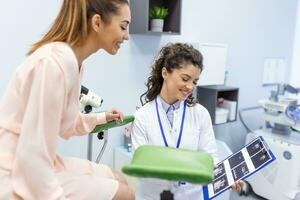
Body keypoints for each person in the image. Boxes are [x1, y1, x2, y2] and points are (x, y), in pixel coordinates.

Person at [0, 0, 134, 199]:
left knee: (118, 179)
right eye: (123, 26)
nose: (126, 35)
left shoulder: (73, 62)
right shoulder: (53, 64)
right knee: (124, 194)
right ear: (97, 23)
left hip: (38, 161)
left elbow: (66, 124)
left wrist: (101, 118)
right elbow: (32, 154)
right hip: (14, 170)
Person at [131, 43, 243, 200]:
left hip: (191, 196)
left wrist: (226, 176)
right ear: (165, 73)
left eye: (195, 81)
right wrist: (177, 170)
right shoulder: (142, 117)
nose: (190, 87)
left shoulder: (201, 114)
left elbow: (210, 158)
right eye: (185, 78)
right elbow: (140, 167)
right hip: (152, 196)